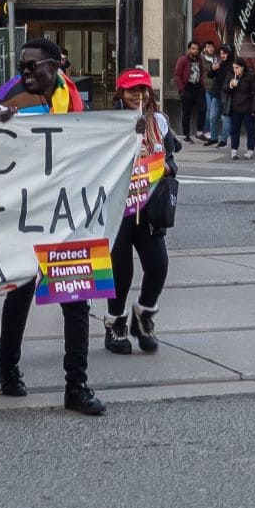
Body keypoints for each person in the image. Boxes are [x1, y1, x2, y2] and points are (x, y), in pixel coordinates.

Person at [0, 36, 107, 415]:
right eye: (21, 66)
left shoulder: (74, 98)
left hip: (67, 211)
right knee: (19, 292)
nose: (24, 72)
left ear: (54, 66)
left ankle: (77, 385)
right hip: (23, 211)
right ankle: (8, 366)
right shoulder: (9, 92)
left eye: (31, 66)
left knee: (76, 298)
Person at [104, 68, 175, 356]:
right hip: (119, 209)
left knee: (158, 266)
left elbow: (171, 160)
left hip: (149, 209)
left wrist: (162, 166)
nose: (138, 95)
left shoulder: (159, 122)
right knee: (121, 271)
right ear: (120, 92)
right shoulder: (108, 124)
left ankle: (143, 315)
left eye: (143, 89)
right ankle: (115, 323)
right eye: (132, 90)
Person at [225, 57, 255, 159]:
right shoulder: (231, 75)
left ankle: (250, 150)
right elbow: (224, 88)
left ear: (243, 67)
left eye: (237, 68)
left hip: (247, 107)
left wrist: (254, 109)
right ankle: (234, 150)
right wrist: (230, 85)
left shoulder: (250, 76)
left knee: (250, 129)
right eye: (234, 68)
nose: (235, 70)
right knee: (234, 129)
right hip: (235, 107)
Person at [173, 41, 204, 143]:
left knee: (203, 108)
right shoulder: (183, 60)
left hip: (198, 88)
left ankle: (199, 132)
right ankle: (186, 135)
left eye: (197, 49)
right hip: (187, 88)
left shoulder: (200, 59)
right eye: (193, 48)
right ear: (189, 49)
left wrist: (202, 85)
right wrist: (182, 89)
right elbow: (177, 75)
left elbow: (201, 73)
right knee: (187, 113)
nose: (195, 50)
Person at [206, 44, 232, 148]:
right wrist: (213, 69)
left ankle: (224, 139)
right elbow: (210, 75)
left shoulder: (232, 65)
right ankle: (213, 137)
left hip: (226, 94)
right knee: (213, 116)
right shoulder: (219, 63)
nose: (222, 55)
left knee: (225, 117)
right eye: (221, 53)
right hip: (216, 93)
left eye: (224, 53)